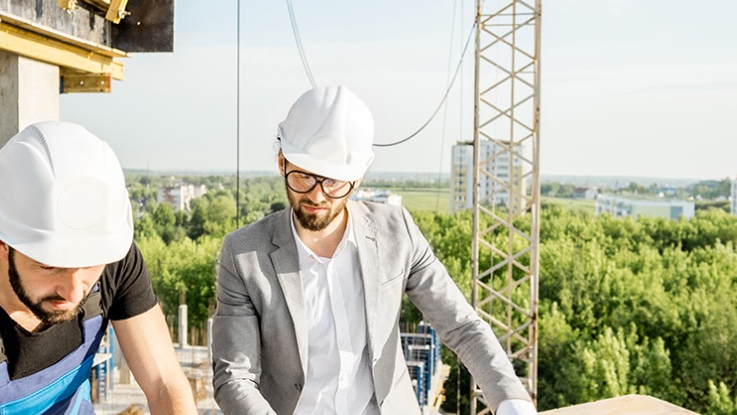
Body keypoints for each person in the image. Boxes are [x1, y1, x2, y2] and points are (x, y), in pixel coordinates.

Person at [210, 87, 537, 415]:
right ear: (282, 162)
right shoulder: (244, 255)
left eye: (334, 182)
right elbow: (234, 377)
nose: (318, 195)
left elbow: (462, 326)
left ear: (358, 176)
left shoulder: (397, 233)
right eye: (304, 176)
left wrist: (513, 403)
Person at [0, 122, 195, 415]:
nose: (74, 291)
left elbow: (165, 383)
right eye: (49, 266)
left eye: (89, 265)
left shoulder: (110, 252)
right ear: (0, 242)